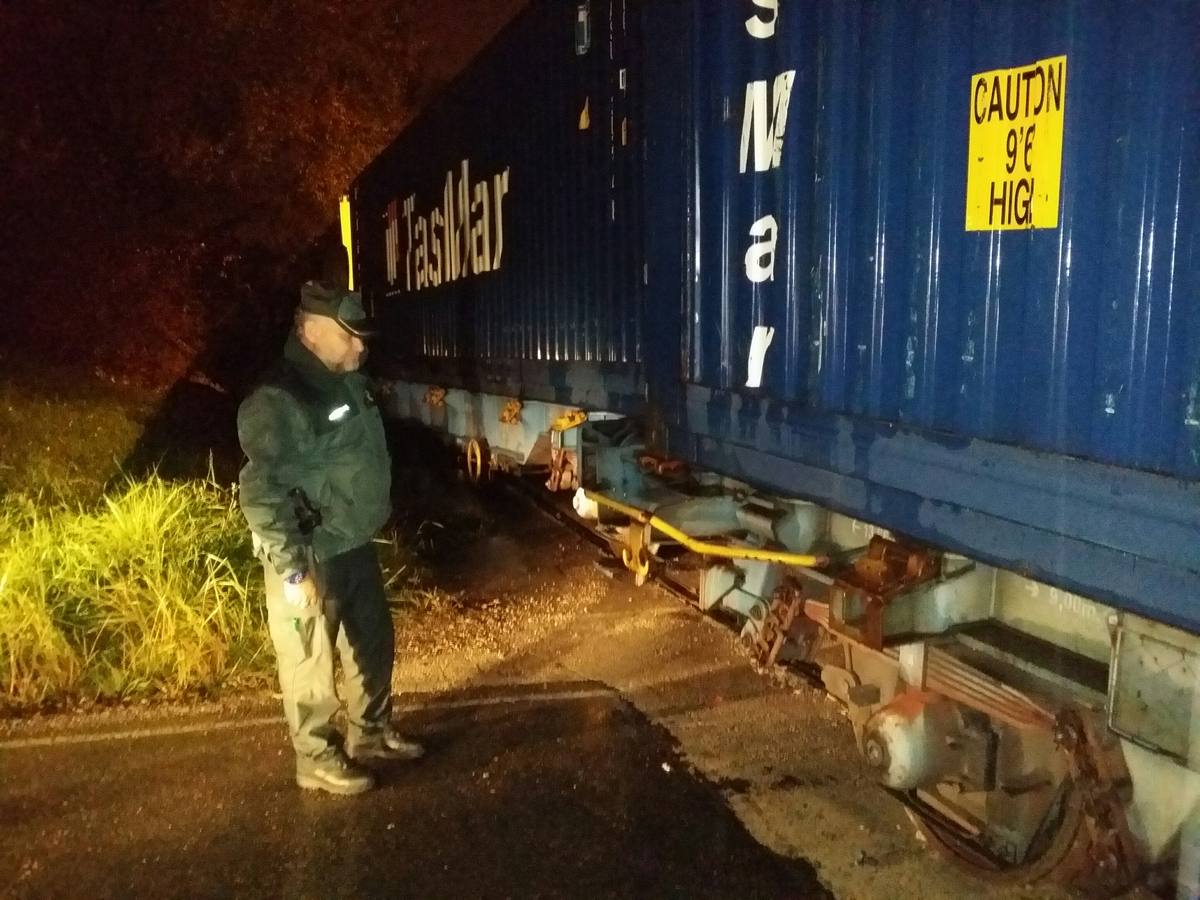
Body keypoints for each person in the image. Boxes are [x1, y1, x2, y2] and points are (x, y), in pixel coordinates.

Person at [237, 281, 423, 795]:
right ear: (314, 331)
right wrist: (293, 570)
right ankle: (316, 757)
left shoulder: (345, 380)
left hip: (352, 542)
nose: (361, 348)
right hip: (310, 553)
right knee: (309, 660)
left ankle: (370, 733)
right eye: (351, 338)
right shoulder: (281, 397)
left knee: (373, 642)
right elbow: (261, 492)